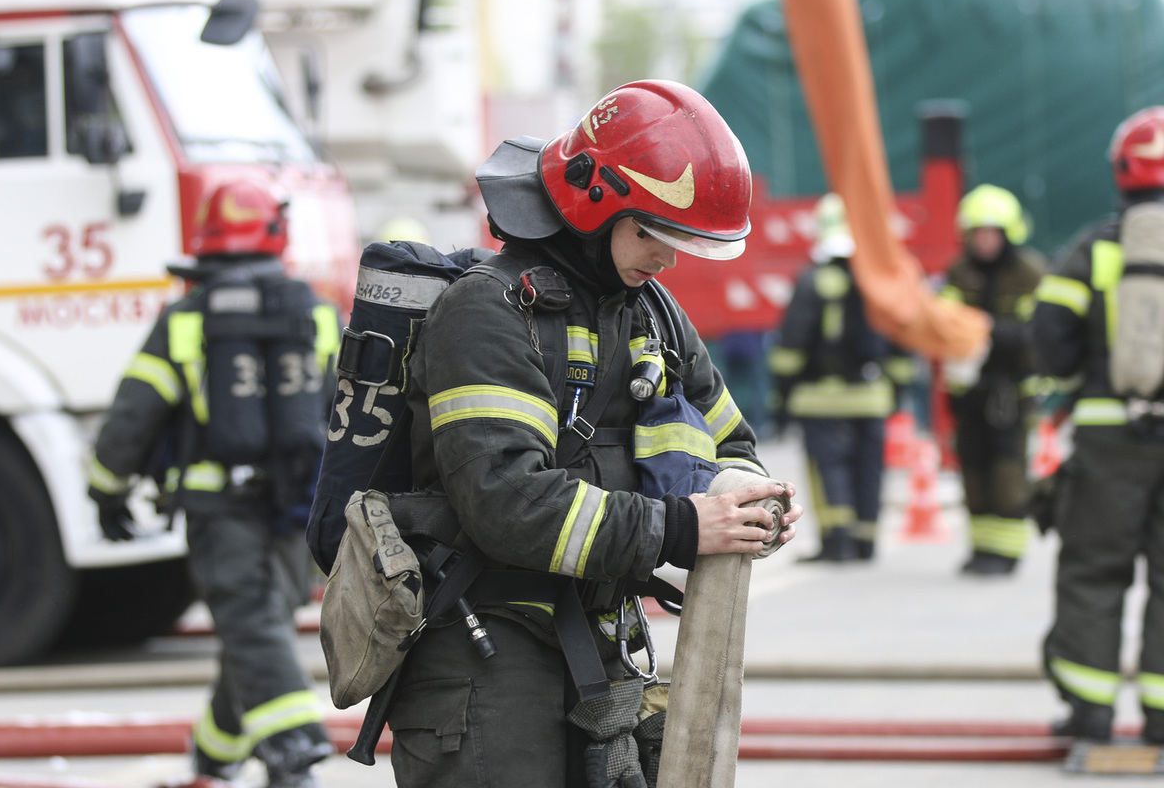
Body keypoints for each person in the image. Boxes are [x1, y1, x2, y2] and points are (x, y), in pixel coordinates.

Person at [386, 79, 802, 787]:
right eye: (654, 234)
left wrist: (748, 504)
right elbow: (507, 503)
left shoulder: (651, 313)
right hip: (487, 658)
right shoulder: (486, 313)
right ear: (593, 202)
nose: (667, 259)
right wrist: (680, 527)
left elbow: (730, 441)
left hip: (601, 642)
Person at [86, 180, 341, 787]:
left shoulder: (186, 319)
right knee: (259, 622)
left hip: (219, 504)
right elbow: (341, 410)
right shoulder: (319, 313)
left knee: (250, 623)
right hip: (295, 502)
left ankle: (292, 745)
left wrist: (106, 489)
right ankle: (215, 755)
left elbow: (134, 415)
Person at [1030, 106, 1164, 744]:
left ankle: (1091, 714)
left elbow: (1050, 343)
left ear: (1122, 171)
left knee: (1093, 571)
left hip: (1111, 438)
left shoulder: (1093, 249)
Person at [768, 193, 917, 562]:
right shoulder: (880, 283)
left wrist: (782, 397)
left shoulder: (813, 282)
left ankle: (838, 542)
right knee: (869, 469)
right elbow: (902, 343)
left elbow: (791, 347)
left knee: (828, 468)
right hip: (872, 396)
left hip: (821, 398)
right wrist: (896, 391)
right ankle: (866, 542)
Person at [939, 184, 1047, 576]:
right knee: (973, 469)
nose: (984, 241)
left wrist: (984, 329)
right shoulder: (959, 271)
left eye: (992, 233)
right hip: (968, 390)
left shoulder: (1029, 273)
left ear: (1008, 234)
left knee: (1006, 471)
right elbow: (943, 321)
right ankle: (982, 548)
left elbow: (1036, 333)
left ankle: (1006, 553)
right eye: (978, 233)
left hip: (1010, 392)